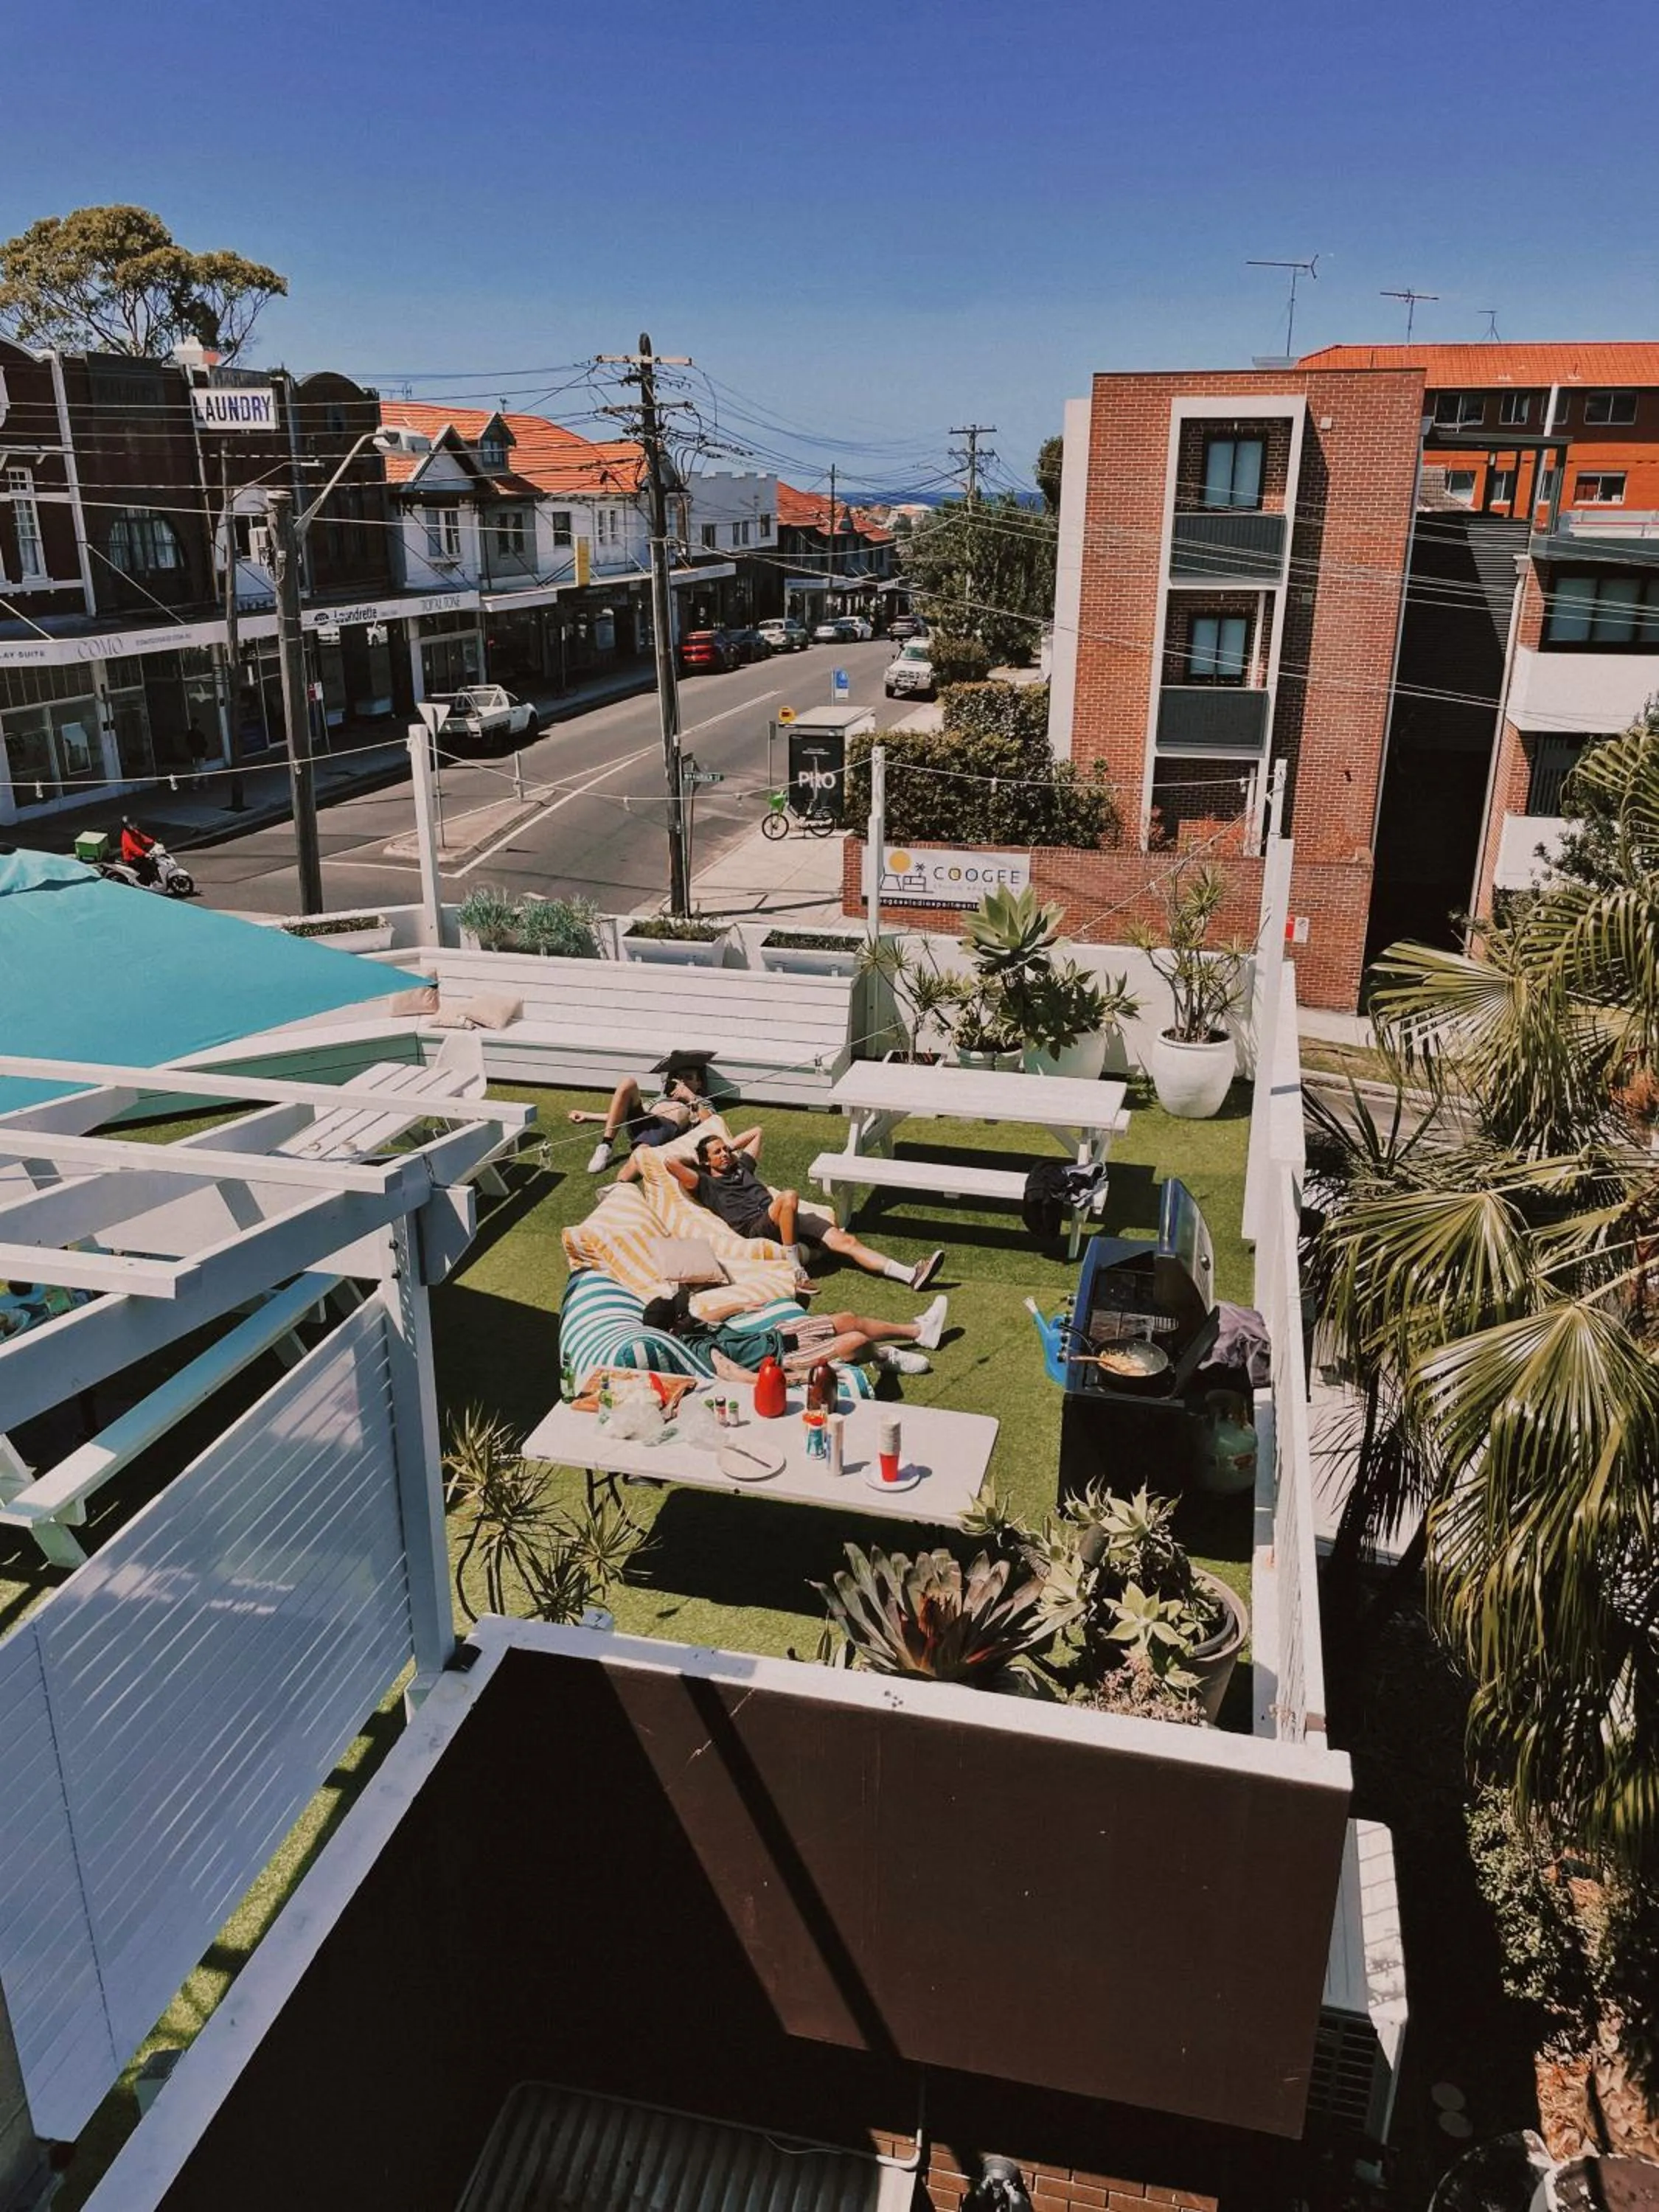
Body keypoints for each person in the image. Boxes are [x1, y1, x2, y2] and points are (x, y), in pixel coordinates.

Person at [667, 1127, 944, 1294]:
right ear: (706, 1161)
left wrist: (729, 1146)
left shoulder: (743, 1167)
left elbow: (757, 1132)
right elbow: (669, 1162)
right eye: (717, 1153)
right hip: (756, 1226)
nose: (725, 1154)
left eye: (725, 1149)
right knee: (789, 1197)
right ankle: (796, 1269)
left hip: (784, 1218)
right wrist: (696, 1161)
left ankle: (910, 1274)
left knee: (846, 1241)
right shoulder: (705, 1183)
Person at [643, 1285, 948, 1378]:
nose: (691, 1309)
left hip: (781, 1334)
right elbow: (735, 1374)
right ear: (674, 1326)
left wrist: (743, 1305)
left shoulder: (691, 1327)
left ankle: (919, 1331)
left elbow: (707, 1314)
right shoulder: (698, 1350)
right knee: (857, 1341)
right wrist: (794, 1378)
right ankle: (883, 1357)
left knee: (847, 1319)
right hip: (788, 1358)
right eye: (684, 1311)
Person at [568, 1049, 717, 1178]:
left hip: (664, 1128)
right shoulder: (661, 1098)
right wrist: (588, 1116)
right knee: (627, 1083)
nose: (682, 1082)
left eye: (689, 1078)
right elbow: (622, 1115)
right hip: (644, 1121)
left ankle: (621, 1183)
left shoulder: (701, 1102)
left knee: (641, 1152)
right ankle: (605, 1146)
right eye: (680, 1077)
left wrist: (690, 1098)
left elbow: (712, 1124)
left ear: (699, 1084)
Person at [119, 817, 158, 884]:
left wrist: (153, 842)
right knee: (144, 868)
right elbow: (132, 847)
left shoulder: (134, 831)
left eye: (133, 823)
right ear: (126, 826)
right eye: (131, 824)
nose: (134, 825)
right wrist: (144, 854)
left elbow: (142, 837)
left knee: (154, 863)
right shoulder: (126, 835)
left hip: (138, 854)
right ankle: (144, 883)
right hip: (132, 857)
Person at [185, 720, 209, 790]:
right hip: (196, 754)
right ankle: (204, 781)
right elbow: (188, 743)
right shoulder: (193, 734)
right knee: (199, 768)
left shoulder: (199, 734)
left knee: (199, 768)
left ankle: (197, 783)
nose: (196, 726)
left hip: (200, 753)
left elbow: (205, 743)